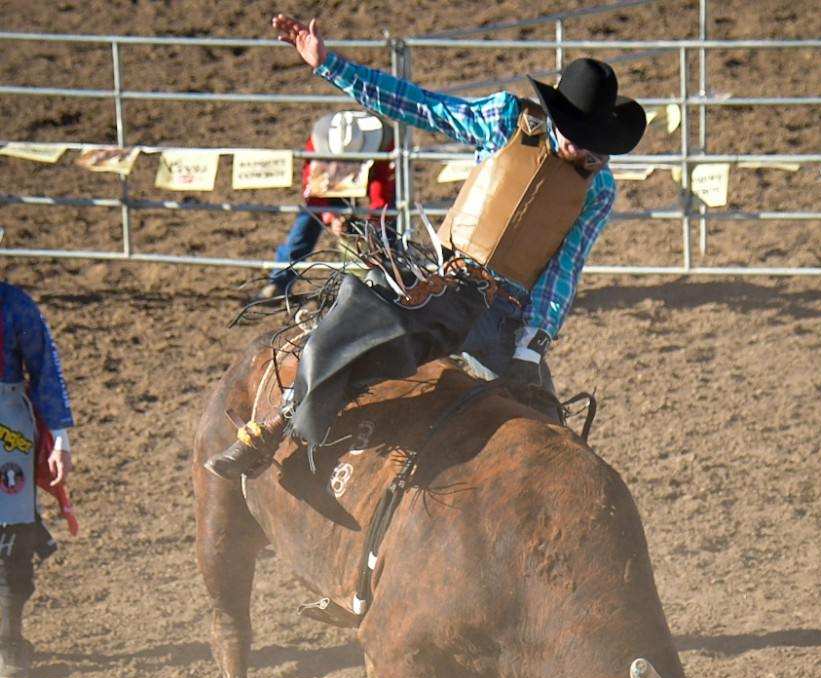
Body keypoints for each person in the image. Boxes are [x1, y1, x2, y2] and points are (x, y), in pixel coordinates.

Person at [206, 13, 646, 481]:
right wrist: (331, 65)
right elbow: (420, 107)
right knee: (345, 332)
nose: (590, 155)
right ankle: (279, 424)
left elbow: (563, 271)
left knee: (552, 441)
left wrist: (531, 348)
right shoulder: (503, 120)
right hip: (441, 279)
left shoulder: (598, 190)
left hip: (504, 315)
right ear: (561, 121)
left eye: (598, 146)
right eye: (582, 141)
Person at [0, 281, 74, 678]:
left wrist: (60, 436)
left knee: (12, 533)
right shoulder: (13, 305)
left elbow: (45, 368)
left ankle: (8, 640)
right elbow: (46, 369)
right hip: (8, 424)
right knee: (12, 528)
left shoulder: (14, 306)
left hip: (7, 424)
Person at [259, 109, 395, 301]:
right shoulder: (317, 144)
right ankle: (279, 281)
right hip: (329, 180)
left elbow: (382, 188)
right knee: (308, 220)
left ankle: (391, 280)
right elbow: (312, 187)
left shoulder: (385, 142)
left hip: (370, 174)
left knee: (387, 225)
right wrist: (330, 216)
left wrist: (374, 219)